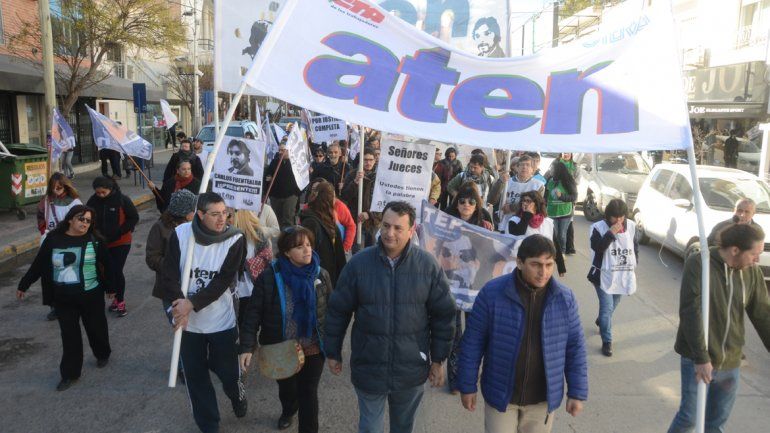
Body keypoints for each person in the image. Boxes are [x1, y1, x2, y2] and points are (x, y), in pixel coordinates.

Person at [324, 201, 456, 433]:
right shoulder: (358, 264)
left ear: (411, 230)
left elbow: (443, 316)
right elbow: (338, 311)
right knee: (370, 428)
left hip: (411, 370)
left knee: (403, 427)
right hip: (369, 366)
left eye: (398, 228)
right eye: (386, 226)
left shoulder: (427, 266)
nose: (389, 233)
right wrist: (332, 351)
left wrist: (438, 360)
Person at [457, 235, 588, 433]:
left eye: (549, 264)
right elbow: (473, 342)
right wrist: (467, 385)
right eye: (536, 264)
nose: (543, 272)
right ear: (519, 262)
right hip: (501, 396)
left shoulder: (565, 298)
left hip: (542, 399)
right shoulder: (492, 293)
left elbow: (575, 347)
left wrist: (577, 392)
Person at [667, 223, 770, 433]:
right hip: (697, 358)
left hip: (730, 362)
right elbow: (690, 312)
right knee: (689, 418)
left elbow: (763, 314)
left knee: (715, 423)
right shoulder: (700, 264)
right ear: (735, 250)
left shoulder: (751, 273)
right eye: (754, 254)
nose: (757, 260)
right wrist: (701, 358)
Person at [162, 192, 248, 433]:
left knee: (230, 373)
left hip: (222, 321)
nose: (223, 219)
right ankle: (209, 424)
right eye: (215, 214)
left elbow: (223, 281)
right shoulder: (181, 234)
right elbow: (168, 274)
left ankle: (236, 394)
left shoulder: (235, 238)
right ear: (200, 215)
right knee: (195, 377)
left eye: (225, 213)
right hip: (189, 325)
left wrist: (192, 304)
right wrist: (178, 305)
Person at [239, 226, 333, 432]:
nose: (307, 250)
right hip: (280, 347)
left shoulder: (321, 275)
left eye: (308, 245)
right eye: (299, 247)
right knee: (288, 389)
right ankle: (289, 409)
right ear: (287, 252)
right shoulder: (270, 277)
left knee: (308, 393)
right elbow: (252, 313)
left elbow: (331, 311)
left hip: (313, 347)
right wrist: (247, 346)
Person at [17, 205, 114, 391]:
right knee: (70, 337)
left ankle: (102, 353)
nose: (84, 223)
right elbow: (39, 263)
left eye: (88, 221)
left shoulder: (95, 240)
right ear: (70, 219)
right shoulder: (54, 239)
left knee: (96, 328)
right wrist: (24, 284)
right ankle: (70, 374)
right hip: (63, 298)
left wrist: (111, 288)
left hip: (90, 294)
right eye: (81, 219)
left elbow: (108, 265)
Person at [587, 199, 638, 357]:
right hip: (603, 275)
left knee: (613, 305)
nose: (618, 221)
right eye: (614, 217)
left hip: (622, 273)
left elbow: (634, 247)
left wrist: (633, 264)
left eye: (621, 217)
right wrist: (611, 233)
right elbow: (598, 248)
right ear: (608, 216)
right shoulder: (597, 228)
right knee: (607, 307)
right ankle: (607, 341)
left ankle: (602, 321)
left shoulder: (631, 226)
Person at [86, 177, 138, 317]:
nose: (101, 195)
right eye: (98, 193)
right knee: (104, 271)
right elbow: (87, 218)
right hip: (101, 243)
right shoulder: (92, 201)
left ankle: (120, 301)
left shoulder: (122, 200)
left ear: (110, 189)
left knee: (116, 270)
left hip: (121, 242)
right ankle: (113, 297)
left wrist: (120, 231)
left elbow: (133, 218)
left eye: (103, 192)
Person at [146, 189, 197, 311]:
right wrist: (175, 267)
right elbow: (152, 258)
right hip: (171, 289)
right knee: (179, 326)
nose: (196, 211)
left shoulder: (196, 226)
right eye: (193, 209)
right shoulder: (160, 227)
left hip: (193, 285)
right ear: (185, 213)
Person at [507, 190, 566, 277]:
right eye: (524, 200)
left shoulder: (547, 222)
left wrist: (561, 266)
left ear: (537, 204)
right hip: (522, 266)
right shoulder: (514, 220)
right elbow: (519, 233)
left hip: (543, 266)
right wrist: (527, 215)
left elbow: (555, 244)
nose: (525, 203)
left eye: (529, 201)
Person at [299, 180, 347, 287]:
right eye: (333, 197)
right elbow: (307, 255)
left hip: (331, 279)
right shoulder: (311, 223)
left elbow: (339, 254)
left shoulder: (327, 219)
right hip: (318, 281)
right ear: (327, 200)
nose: (335, 201)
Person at [230, 209, 273, 326]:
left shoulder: (257, 234)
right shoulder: (225, 233)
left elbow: (267, 258)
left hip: (249, 288)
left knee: (246, 324)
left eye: (229, 214)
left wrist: (246, 265)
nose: (226, 218)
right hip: (230, 289)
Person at [341, 148, 381, 248]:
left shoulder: (380, 177)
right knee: (358, 254)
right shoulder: (352, 175)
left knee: (373, 255)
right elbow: (345, 196)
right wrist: (355, 182)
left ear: (375, 160)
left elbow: (384, 202)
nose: (368, 162)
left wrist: (369, 214)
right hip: (357, 221)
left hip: (374, 223)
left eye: (371, 160)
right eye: (365, 160)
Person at [495, 155, 545, 230]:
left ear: (532, 169)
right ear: (517, 168)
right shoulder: (506, 181)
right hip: (505, 222)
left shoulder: (538, 186)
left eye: (528, 165)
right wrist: (499, 182)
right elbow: (492, 200)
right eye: (522, 164)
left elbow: (536, 206)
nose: (524, 167)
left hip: (525, 223)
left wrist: (512, 207)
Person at [266, 142, 302, 229]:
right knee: (277, 219)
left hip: (290, 195)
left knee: (288, 218)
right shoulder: (275, 162)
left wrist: (297, 193)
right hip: (276, 195)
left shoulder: (295, 162)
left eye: (283, 150)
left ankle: (288, 238)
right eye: (279, 150)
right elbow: (268, 174)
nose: (280, 152)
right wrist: (268, 178)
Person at [545, 161, 577, 254]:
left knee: (562, 235)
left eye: (553, 168)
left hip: (565, 213)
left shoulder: (568, 181)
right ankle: (553, 252)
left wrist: (561, 196)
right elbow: (546, 196)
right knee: (553, 234)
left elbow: (574, 197)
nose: (551, 170)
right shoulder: (550, 180)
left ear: (558, 170)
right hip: (551, 212)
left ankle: (562, 253)